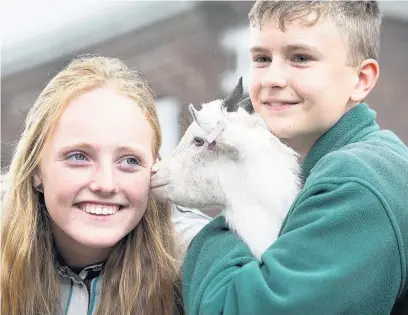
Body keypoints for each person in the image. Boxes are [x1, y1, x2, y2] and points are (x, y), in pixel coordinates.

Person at [181, 1, 408, 314]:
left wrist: (204, 231)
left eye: (301, 58)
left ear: (361, 79)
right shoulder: (351, 163)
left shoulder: (355, 182)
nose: (273, 78)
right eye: (261, 58)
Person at [0, 55, 205, 315]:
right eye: (78, 157)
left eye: (130, 161)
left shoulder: (194, 254)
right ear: (36, 168)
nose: (106, 184)